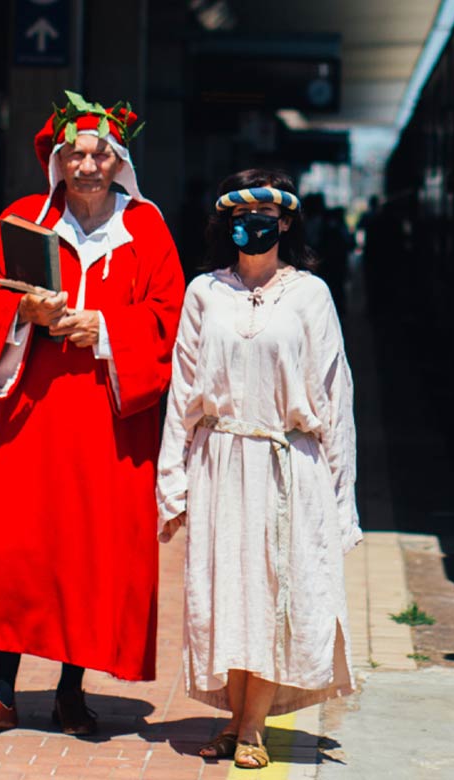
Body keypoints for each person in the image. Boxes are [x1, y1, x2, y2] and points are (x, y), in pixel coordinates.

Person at [0, 91, 185, 741]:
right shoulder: (23, 221)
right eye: (75, 153)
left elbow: (169, 320)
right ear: (58, 159)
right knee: (18, 550)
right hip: (36, 413)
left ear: (118, 161)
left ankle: (70, 692)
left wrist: (101, 327)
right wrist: (24, 315)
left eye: (99, 153)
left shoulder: (148, 230)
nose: (87, 164)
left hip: (110, 419)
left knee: (91, 549)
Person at [157, 169, 361, 770]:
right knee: (228, 594)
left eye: (267, 216)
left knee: (276, 591)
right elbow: (182, 393)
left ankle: (250, 728)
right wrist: (174, 482)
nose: (254, 227)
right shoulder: (204, 293)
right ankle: (234, 718)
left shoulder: (310, 295)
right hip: (220, 462)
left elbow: (334, 397)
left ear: (287, 222)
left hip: (286, 465)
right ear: (225, 224)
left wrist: (339, 492)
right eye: (241, 218)